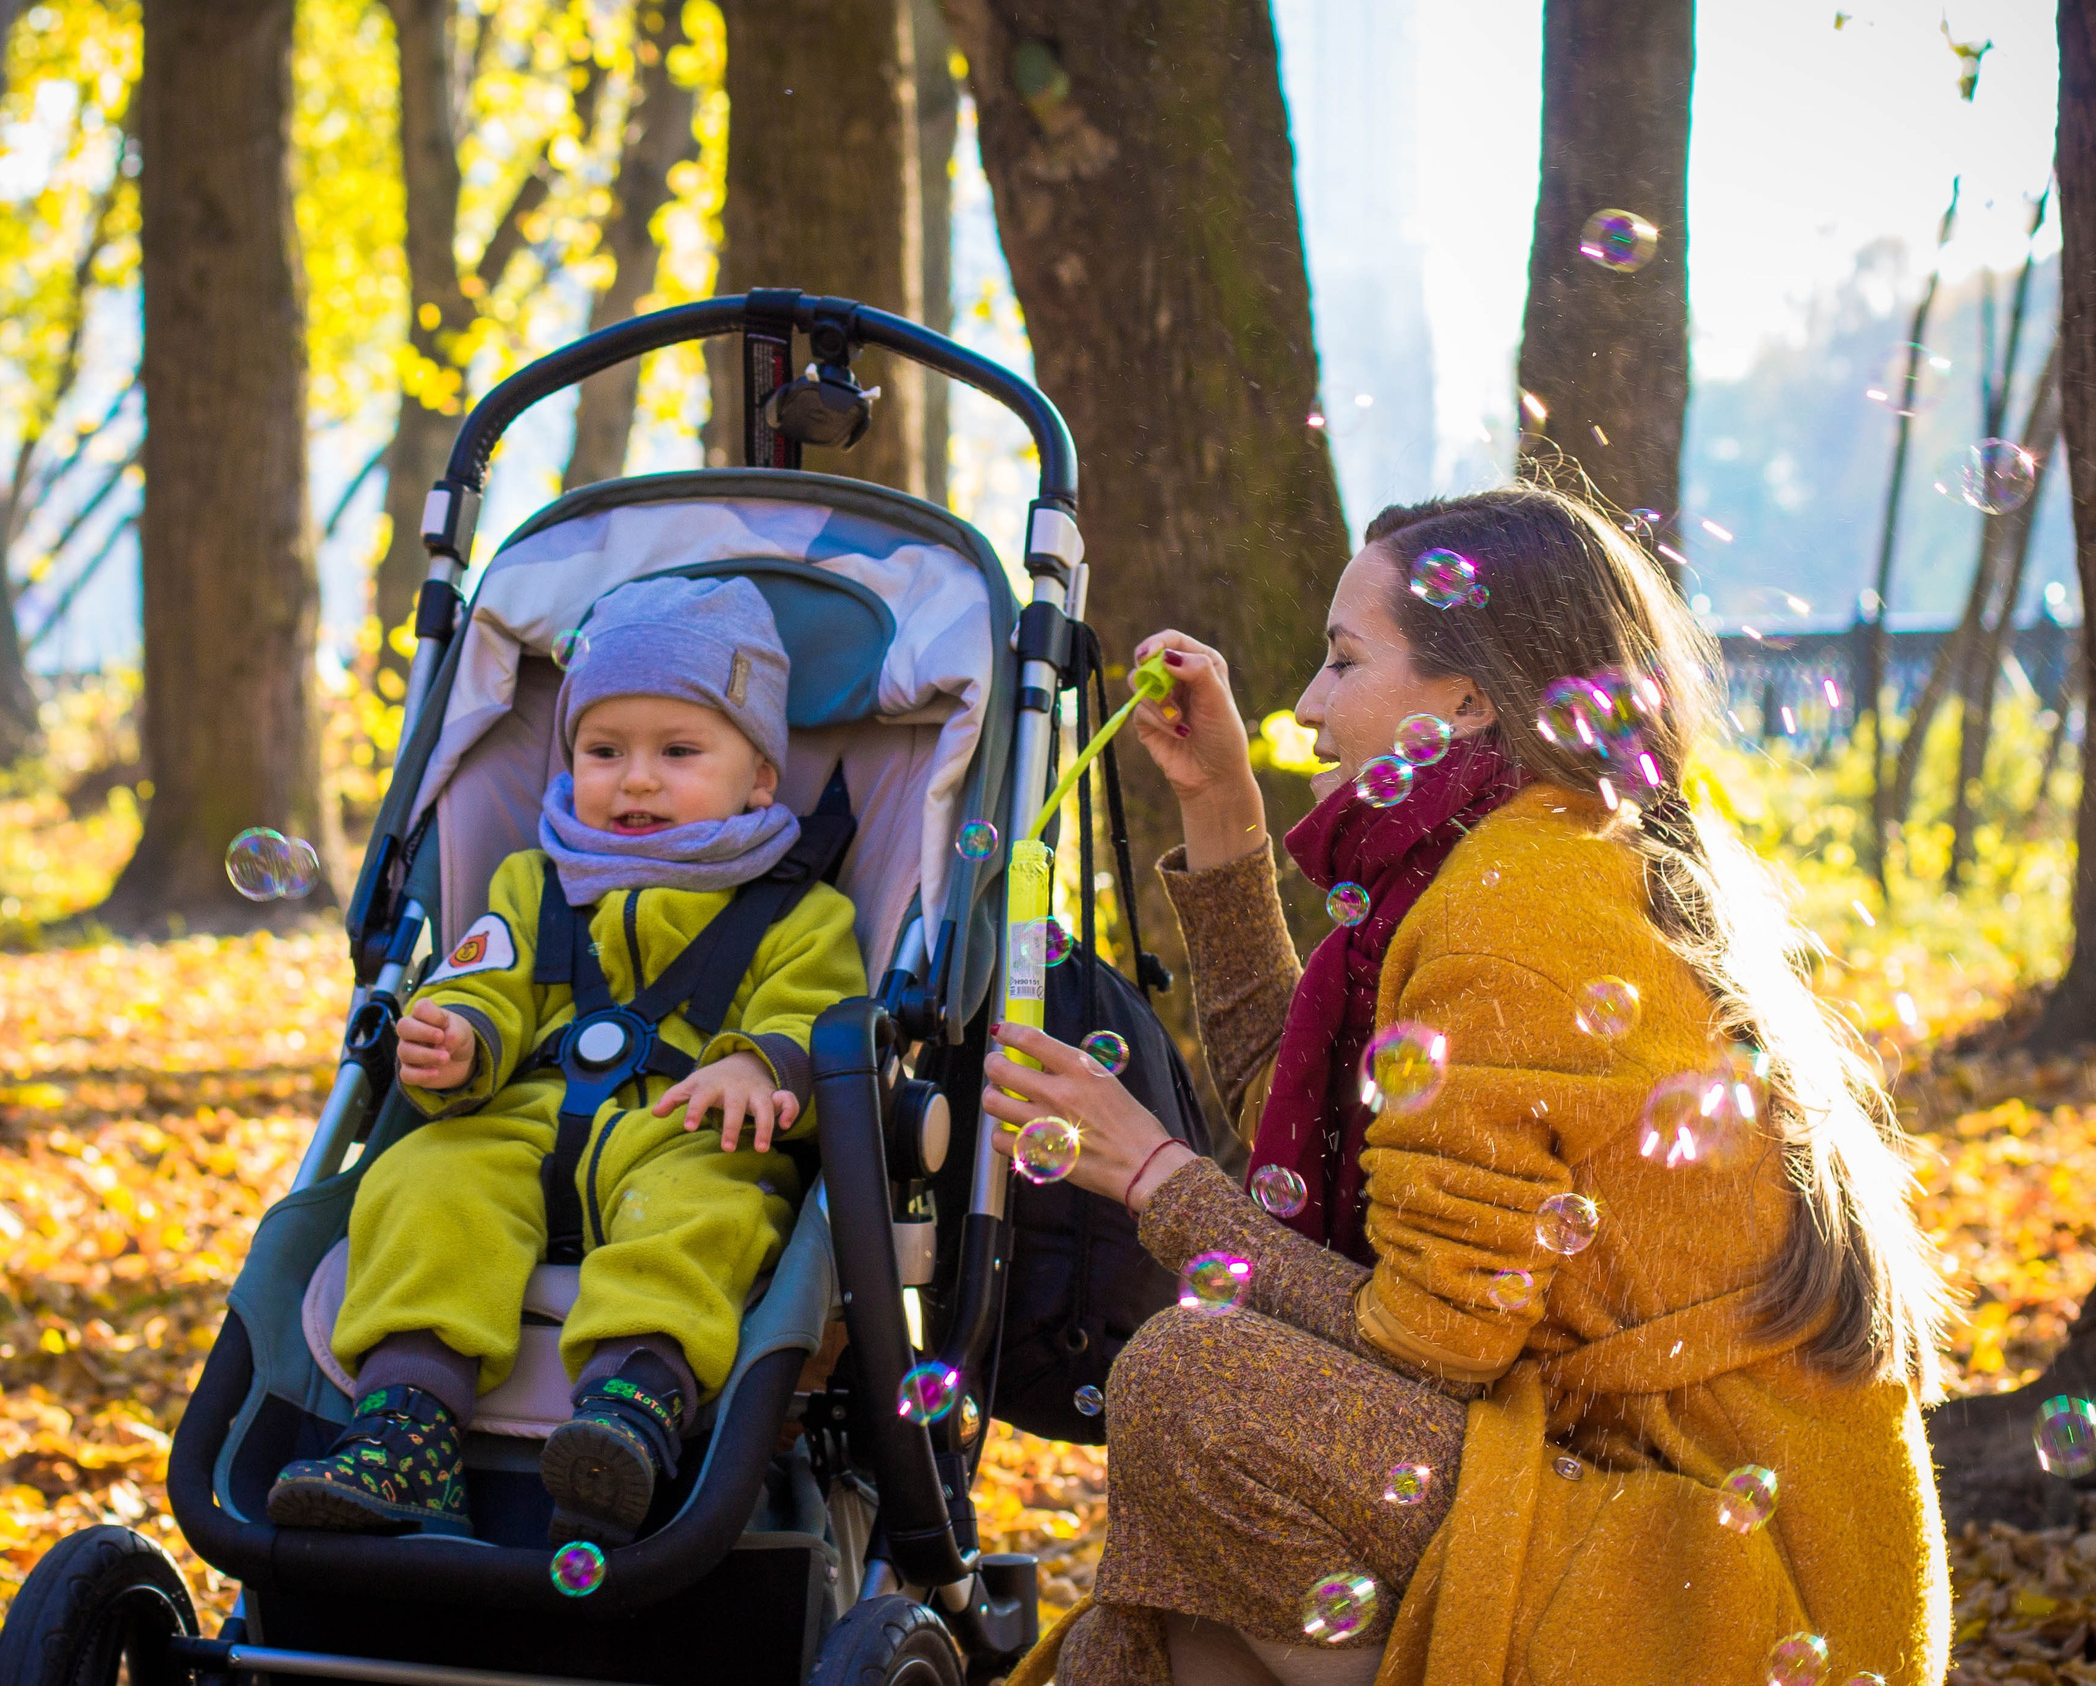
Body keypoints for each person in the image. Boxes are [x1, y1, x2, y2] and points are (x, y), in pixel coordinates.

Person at [986, 488, 1953, 1686]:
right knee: (1174, 1612)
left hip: (1722, 1584)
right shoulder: (1518, 857)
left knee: (1196, 1386)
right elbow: (1317, 1142)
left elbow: (1425, 1345)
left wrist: (1151, 1177)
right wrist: (1221, 809)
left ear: (1472, 698)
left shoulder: (1513, 914)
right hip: (1662, 1521)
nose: (1307, 704)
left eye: (1342, 662)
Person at [269, 577, 866, 1545]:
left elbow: (820, 1010)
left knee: (710, 1211)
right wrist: (455, 1035)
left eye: (678, 752)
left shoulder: (799, 909)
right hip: (522, 1122)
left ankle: (629, 1406)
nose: (633, 780)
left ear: (760, 777)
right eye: (602, 751)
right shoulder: (532, 881)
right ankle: (407, 1427)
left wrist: (760, 1067)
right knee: (423, 1177)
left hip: (680, 1135)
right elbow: (484, 976)